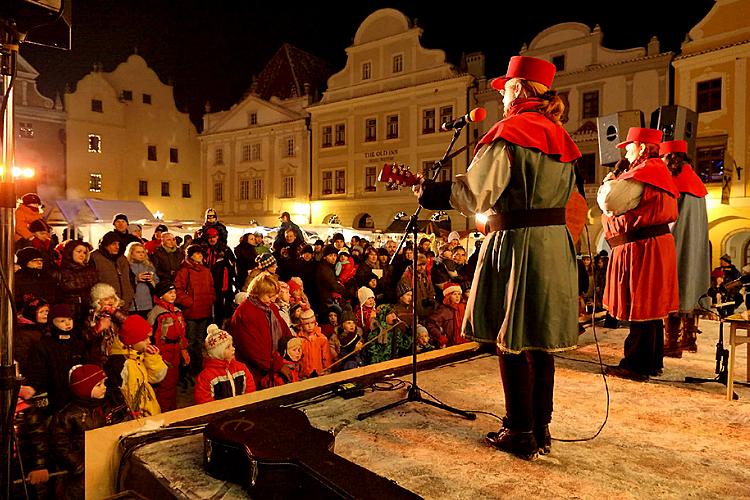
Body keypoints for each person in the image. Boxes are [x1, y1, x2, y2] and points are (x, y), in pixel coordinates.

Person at [415, 56, 582, 459]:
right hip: (554, 244)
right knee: (538, 340)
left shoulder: (510, 132)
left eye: (507, 87)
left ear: (521, 90)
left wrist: (432, 193)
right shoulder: (559, 137)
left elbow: (474, 194)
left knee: (512, 339)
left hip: (518, 242)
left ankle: (519, 431)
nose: (503, 95)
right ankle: (541, 427)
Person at [597, 127, 679, 381]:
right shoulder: (656, 172)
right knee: (651, 305)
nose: (627, 152)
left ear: (642, 147)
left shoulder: (643, 173)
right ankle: (652, 362)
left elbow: (611, 202)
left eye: (630, 146)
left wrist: (609, 181)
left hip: (643, 247)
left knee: (641, 302)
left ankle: (636, 364)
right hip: (653, 244)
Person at [660, 140, 710, 357]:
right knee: (692, 283)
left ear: (669, 158)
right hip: (696, 243)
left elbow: (669, 216)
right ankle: (689, 338)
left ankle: (672, 342)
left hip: (677, 240)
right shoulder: (695, 179)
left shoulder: (674, 179)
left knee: (674, 285)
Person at [49, 364, 128, 500]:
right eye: (99, 385)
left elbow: (115, 430)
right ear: (84, 389)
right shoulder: (68, 415)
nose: (104, 387)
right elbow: (60, 444)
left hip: (104, 464)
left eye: (104, 383)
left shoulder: (107, 407)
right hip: (80, 472)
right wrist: (78, 465)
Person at [230, 272, 293, 389]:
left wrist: (293, 344)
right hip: (254, 373)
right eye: (269, 296)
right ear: (257, 293)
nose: (273, 299)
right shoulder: (245, 313)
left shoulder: (270, 307)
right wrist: (278, 366)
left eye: (274, 295)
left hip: (272, 367)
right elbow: (253, 350)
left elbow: (283, 329)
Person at [104, 314, 168, 417]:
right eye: (144, 339)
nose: (149, 342)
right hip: (135, 416)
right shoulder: (120, 363)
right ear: (132, 341)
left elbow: (156, 377)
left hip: (149, 409)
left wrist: (152, 358)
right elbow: (115, 396)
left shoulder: (139, 354)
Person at [175, 244, 215, 379]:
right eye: (197, 253)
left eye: (201, 254)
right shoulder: (184, 270)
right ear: (190, 255)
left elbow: (211, 287)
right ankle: (191, 367)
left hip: (204, 309)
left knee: (199, 340)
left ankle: (198, 366)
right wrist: (189, 302)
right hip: (191, 311)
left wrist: (211, 299)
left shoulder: (206, 270)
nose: (200, 256)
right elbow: (178, 289)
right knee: (191, 341)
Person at [147, 281, 189, 411]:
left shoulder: (177, 311)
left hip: (175, 351)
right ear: (160, 295)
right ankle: (164, 411)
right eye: (169, 292)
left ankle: (172, 408)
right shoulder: (156, 314)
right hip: (162, 352)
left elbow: (182, 334)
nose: (173, 295)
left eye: (174, 292)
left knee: (173, 381)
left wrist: (184, 350)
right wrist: (155, 355)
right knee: (165, 384)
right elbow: (149, 336)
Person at [194, 324, 254, 404]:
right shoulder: (206, 377)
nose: (233, 349)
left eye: (232, 345)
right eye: (228, 347)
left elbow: (250, 389)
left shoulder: (241, 368)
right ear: (218, 352)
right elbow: (204, 401)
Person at [90, 231, 135, 310]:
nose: (117, 247)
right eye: (114, 244)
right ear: (105, 245)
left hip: (125, 304)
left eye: (118, 244)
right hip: (105, 305)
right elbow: (91, 281)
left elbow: (130, 277)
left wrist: (130, 293)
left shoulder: (122, 259)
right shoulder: (94, 258)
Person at [126, 241, 159, 318]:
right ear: (131, 253)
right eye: (138, 252)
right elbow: (123, 283)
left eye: (143, 252)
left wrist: (152, 280)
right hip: (133, 304)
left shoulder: (149, 266)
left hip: (148, 303)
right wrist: (136, 279)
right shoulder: (126, 266)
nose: (141, 254)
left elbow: (157, 282)